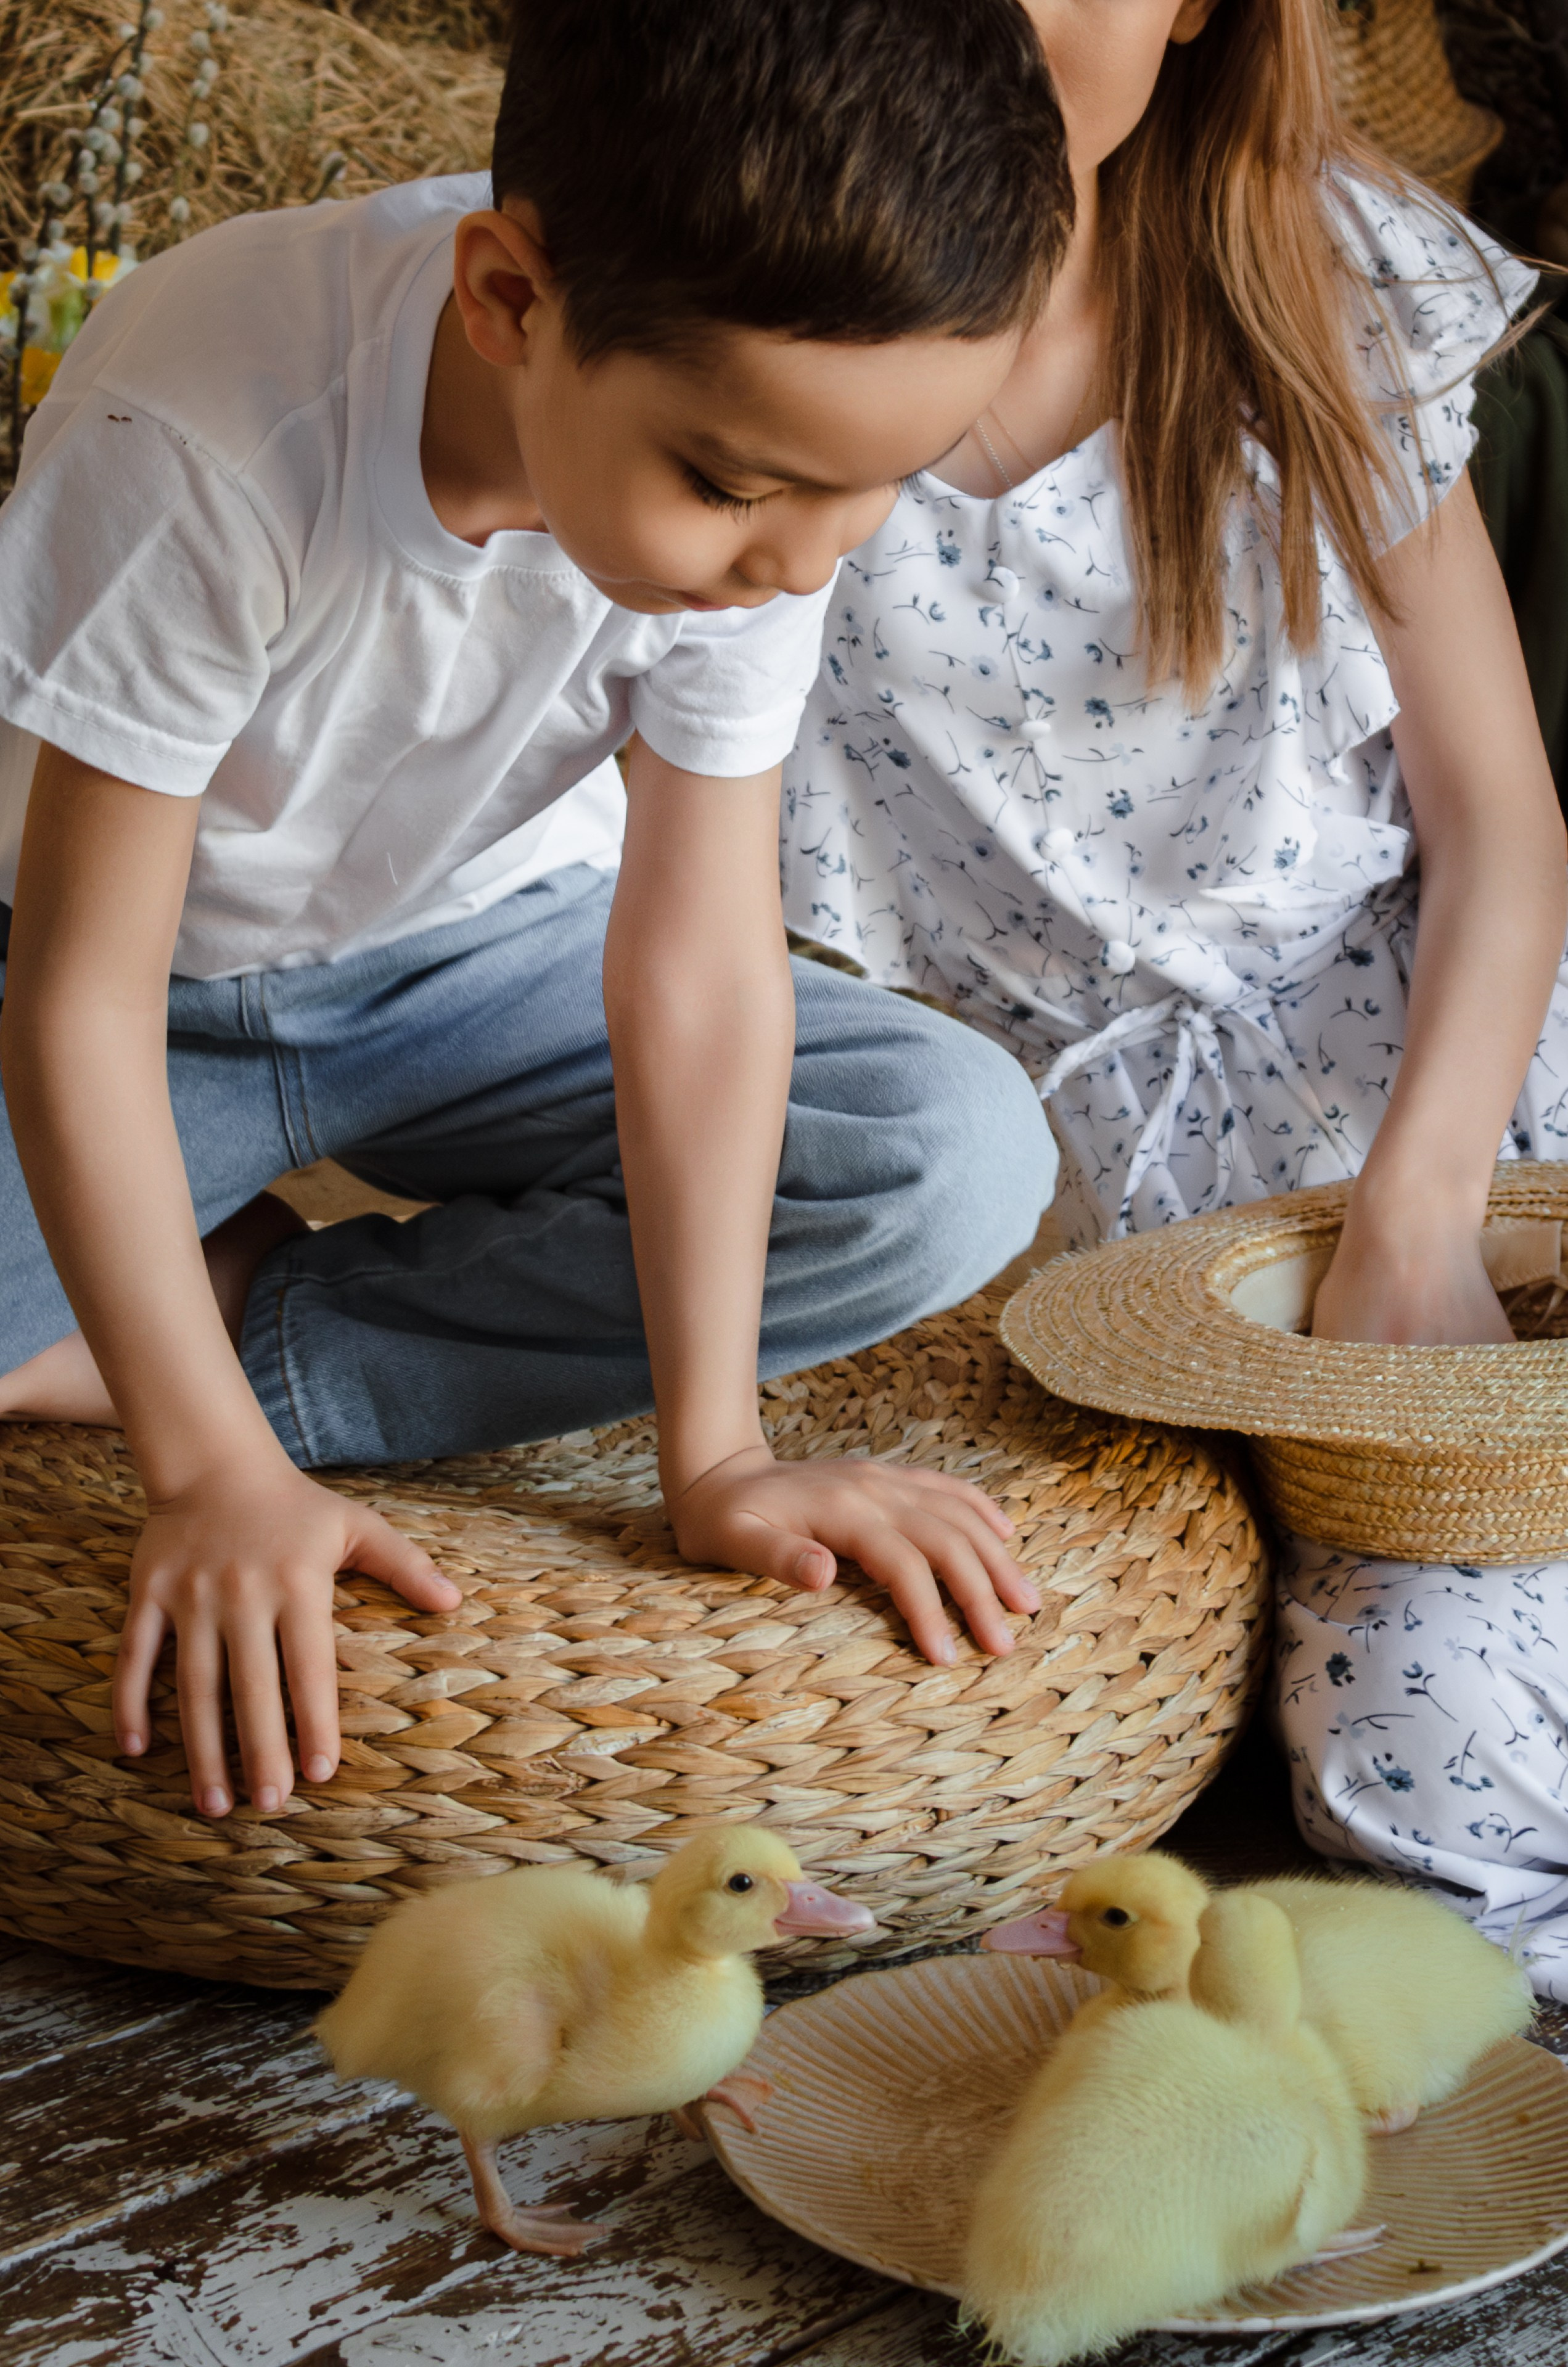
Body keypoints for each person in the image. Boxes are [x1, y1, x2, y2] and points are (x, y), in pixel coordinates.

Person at [0, 0, 1070, 1826]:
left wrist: (715, 1450)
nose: (805, 558)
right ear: (510, 302)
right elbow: (77, 1005)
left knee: (950, 1151)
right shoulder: (196, 426)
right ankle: (161, 1332)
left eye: (875, 490)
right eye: (737, 488)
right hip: (135, 990)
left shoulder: (767, 479)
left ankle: (222, 1310)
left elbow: (702, 967)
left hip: (477, 967)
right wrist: (205, 1476)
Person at [778, 0, 1568, 1992]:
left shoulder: (1306, 266)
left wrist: (1421, 1213)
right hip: (1053, 1187)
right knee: (1348, 1749)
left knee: (1476, 1644)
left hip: (1430, 1076)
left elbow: (1502, 822)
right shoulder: (755, 315)